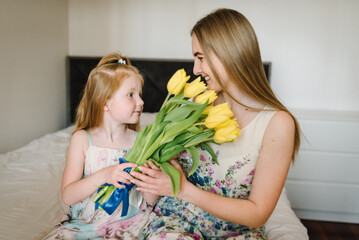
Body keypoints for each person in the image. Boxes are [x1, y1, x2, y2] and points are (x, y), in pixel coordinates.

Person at [130, 8, 301, 240]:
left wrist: (183, 190)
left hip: (238, 231)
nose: (195, 70)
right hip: (176, 222)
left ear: (229, 52)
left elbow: (258, 213)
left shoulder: (277, 123)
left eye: (200, 58)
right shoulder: (191, 104)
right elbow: (166, 167)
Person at [41, 52, 159, 239]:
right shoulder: (82, 139)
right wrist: (105, 175)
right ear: (105, 102)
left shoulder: (142, 141)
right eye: (131, 95)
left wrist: (150, 179)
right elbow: (68, 195)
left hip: (130, 224)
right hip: (87, 225)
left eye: (140, 95)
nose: (141, 102)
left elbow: (151, 201)